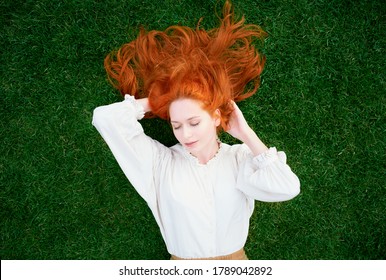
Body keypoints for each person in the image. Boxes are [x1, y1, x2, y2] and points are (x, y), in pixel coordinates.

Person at [92, 0, 300, 260]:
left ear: (215, 118)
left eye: (194, 122)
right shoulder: (159, 163)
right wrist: (157, 101)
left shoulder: (239, 159)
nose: (185, 134)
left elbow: (287, 187)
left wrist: (246, 134)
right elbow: (105, 118)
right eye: (176, 125)